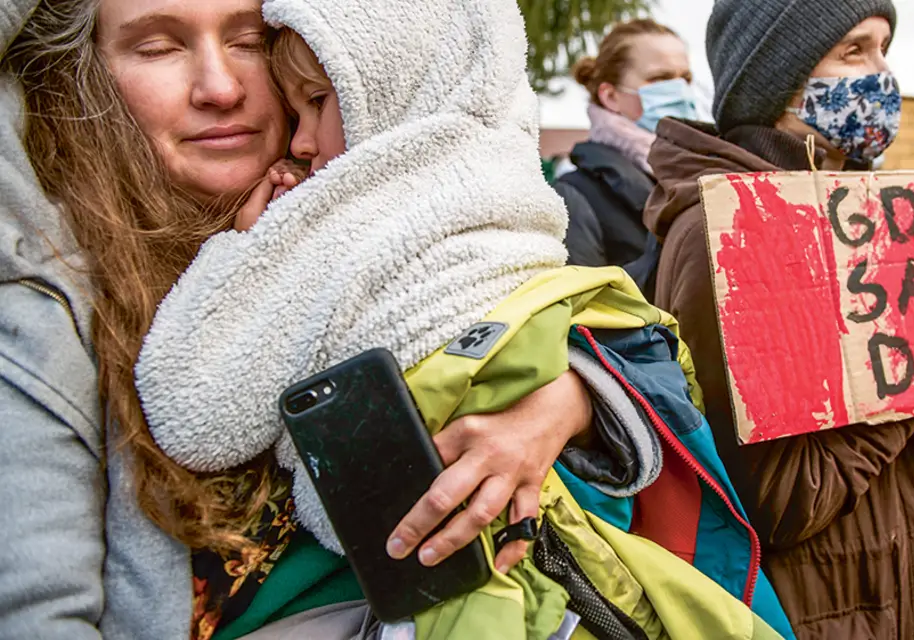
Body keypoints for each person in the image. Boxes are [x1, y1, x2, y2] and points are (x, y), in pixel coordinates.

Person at [132, 2, 791, 635]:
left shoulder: (341, 227)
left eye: (318, 104)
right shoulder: (507, 195)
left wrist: (249, 257)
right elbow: (638, 339)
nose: (303, 143)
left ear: (387, 88)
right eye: (295, 108)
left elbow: (190, 406)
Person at [0, 0, 605, 636]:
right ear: (80, 77)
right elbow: (38, 613)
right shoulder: (51, 298)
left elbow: (632, 344)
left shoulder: (407, 210)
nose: (220, 88)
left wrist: (560, 403)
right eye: (158, 48)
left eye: (249, 42)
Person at [643, 0, 914, 637]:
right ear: (776, 79)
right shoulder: (731, 235)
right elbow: (778, 503)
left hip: (884, 581)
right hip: (812, 610)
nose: (882, 74)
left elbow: (844, 423)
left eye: (884, 49)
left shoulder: (852, 214)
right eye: (853, 52)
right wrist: (912, 386)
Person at [553, 18, 698, 302]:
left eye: (686, 78)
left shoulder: (703, 172)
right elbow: (582, 312)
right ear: (611, 96)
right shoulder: (574, 195)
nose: (680, 90)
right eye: (660, 79)